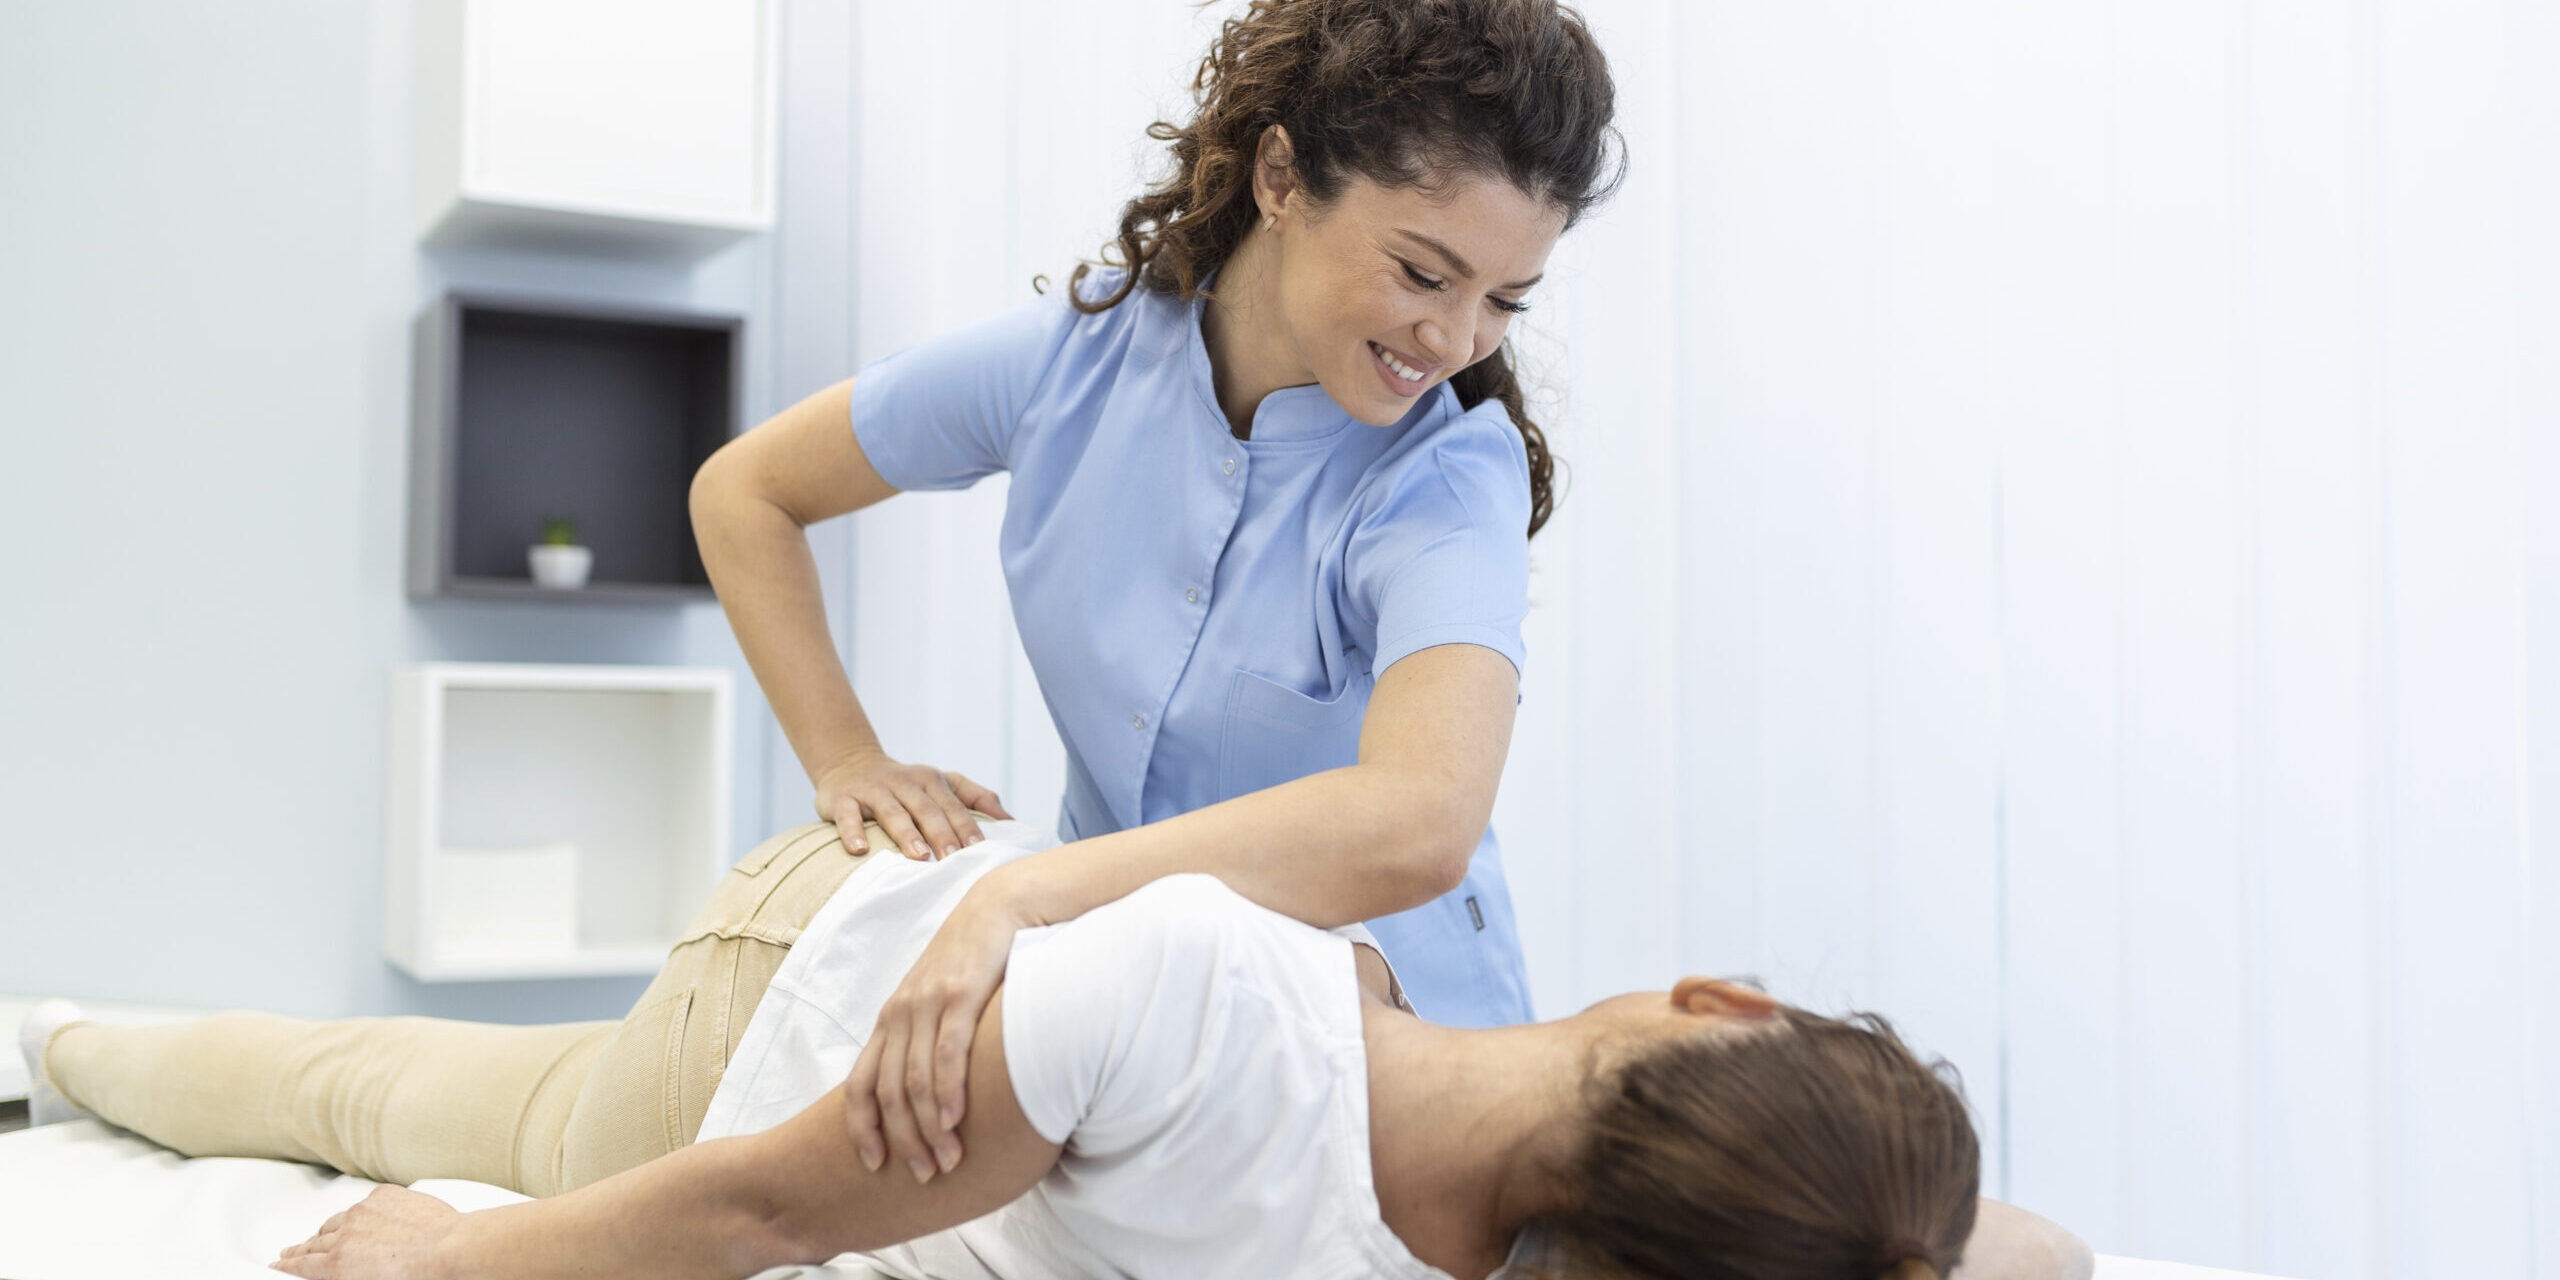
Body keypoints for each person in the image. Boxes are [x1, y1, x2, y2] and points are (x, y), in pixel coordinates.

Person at [686, 0, 1614, 1188]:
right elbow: (745, 492)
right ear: (1280, 174)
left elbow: (1421, 821)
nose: (1455, 336)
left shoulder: (1445, 478)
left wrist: (1025, 896)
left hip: (1391, 1076)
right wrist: (846, 759)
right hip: (1116, 1038)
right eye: (1422, 271)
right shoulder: (1075, 363)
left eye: (1504, 299)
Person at [19, 821, 2093, 1280]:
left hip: (770, 1055)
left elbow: (749, 1199)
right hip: (853, 950)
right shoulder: (1486, 1248)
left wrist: (418, 1269)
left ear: (1721, 1004)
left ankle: (65, 1037)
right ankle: (63, 1034)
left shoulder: (1206, 989)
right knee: (375, 1082)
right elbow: (2038, 1257)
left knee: (373, 1097)